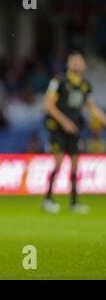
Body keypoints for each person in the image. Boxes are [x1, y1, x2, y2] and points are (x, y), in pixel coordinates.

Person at [43, 51, 106, 214]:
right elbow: (48, 105)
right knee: (57, 162)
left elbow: (92, 108)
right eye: (74, 61)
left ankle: (74, 202)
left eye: (80, 61)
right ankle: (48, 199)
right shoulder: (59, 81)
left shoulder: (85, 85)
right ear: (68, 64)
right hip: (57, 127)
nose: (77, 64)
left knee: (75, 164)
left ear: (84, 65)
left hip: (74, 128)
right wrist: (65, 122)